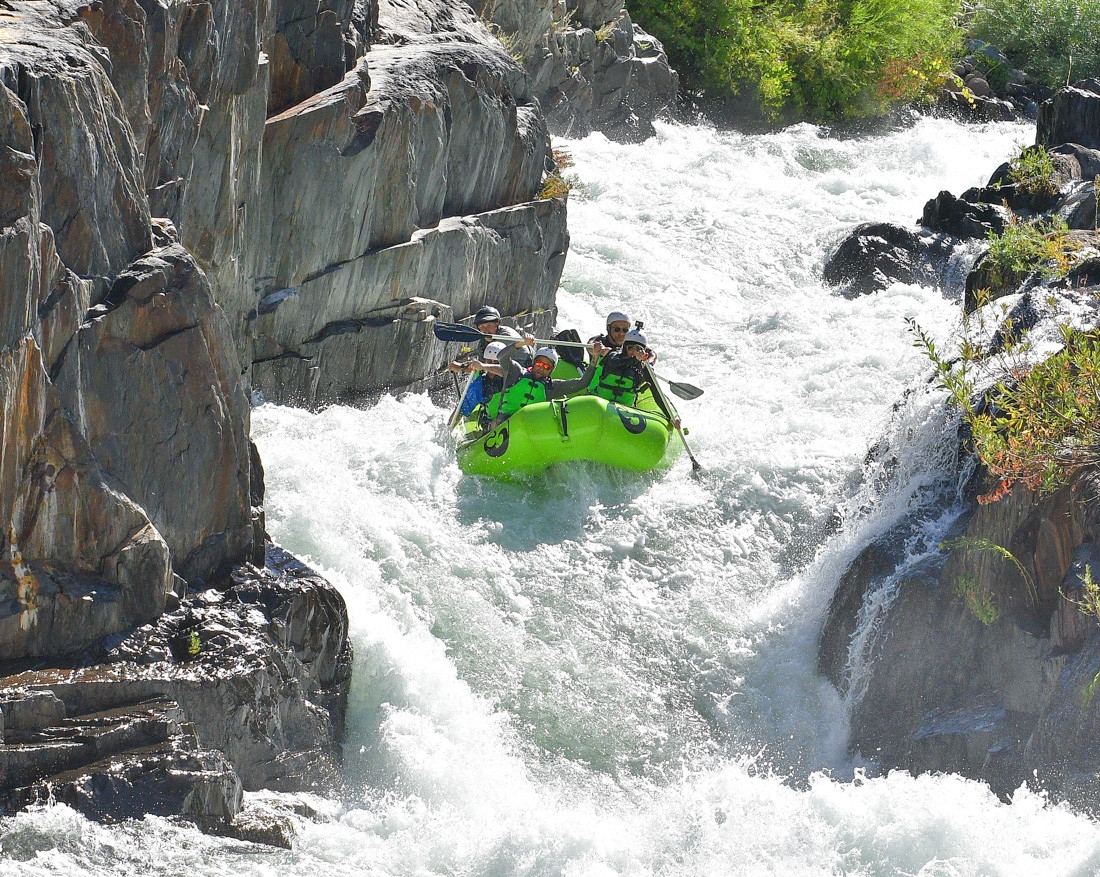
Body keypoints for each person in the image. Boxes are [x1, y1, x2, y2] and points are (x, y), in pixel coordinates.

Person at [488, 335, 602, 422]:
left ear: (551, 370)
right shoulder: (516, 372)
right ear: (533, 362)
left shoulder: (552, 387)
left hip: (529, 427)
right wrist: (521, 343)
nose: (541, 368)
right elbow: (501, 356)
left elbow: (583, 383)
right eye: (539, 364)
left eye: (546, 367)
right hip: (504, 421)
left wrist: (595, 358)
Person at [586, 328, 655, 407]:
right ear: (625, 348)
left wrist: (669, 416)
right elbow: (617, 363)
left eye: (638, 349)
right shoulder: (613, 355)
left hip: (624, 410)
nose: (633, 352)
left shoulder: (642, 368)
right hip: (598, 401)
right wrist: (635, 359)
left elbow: (656, 392)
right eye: (630, 348)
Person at [448, 305, 524, 374]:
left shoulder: (506, 337)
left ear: (497, 325)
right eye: (481, 327)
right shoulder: (484, 340)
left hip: (522, 372)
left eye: (489, 325)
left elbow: (502, 370)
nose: (485, 330)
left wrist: (462, 368)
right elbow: (481, 366)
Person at [456, 341, 506, 417]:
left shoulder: (513, 374)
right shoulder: (480, 384)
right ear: (485, 361)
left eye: (496, 362)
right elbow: (461, 411)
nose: (492, 364)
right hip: (491, 419)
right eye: (489, 361)